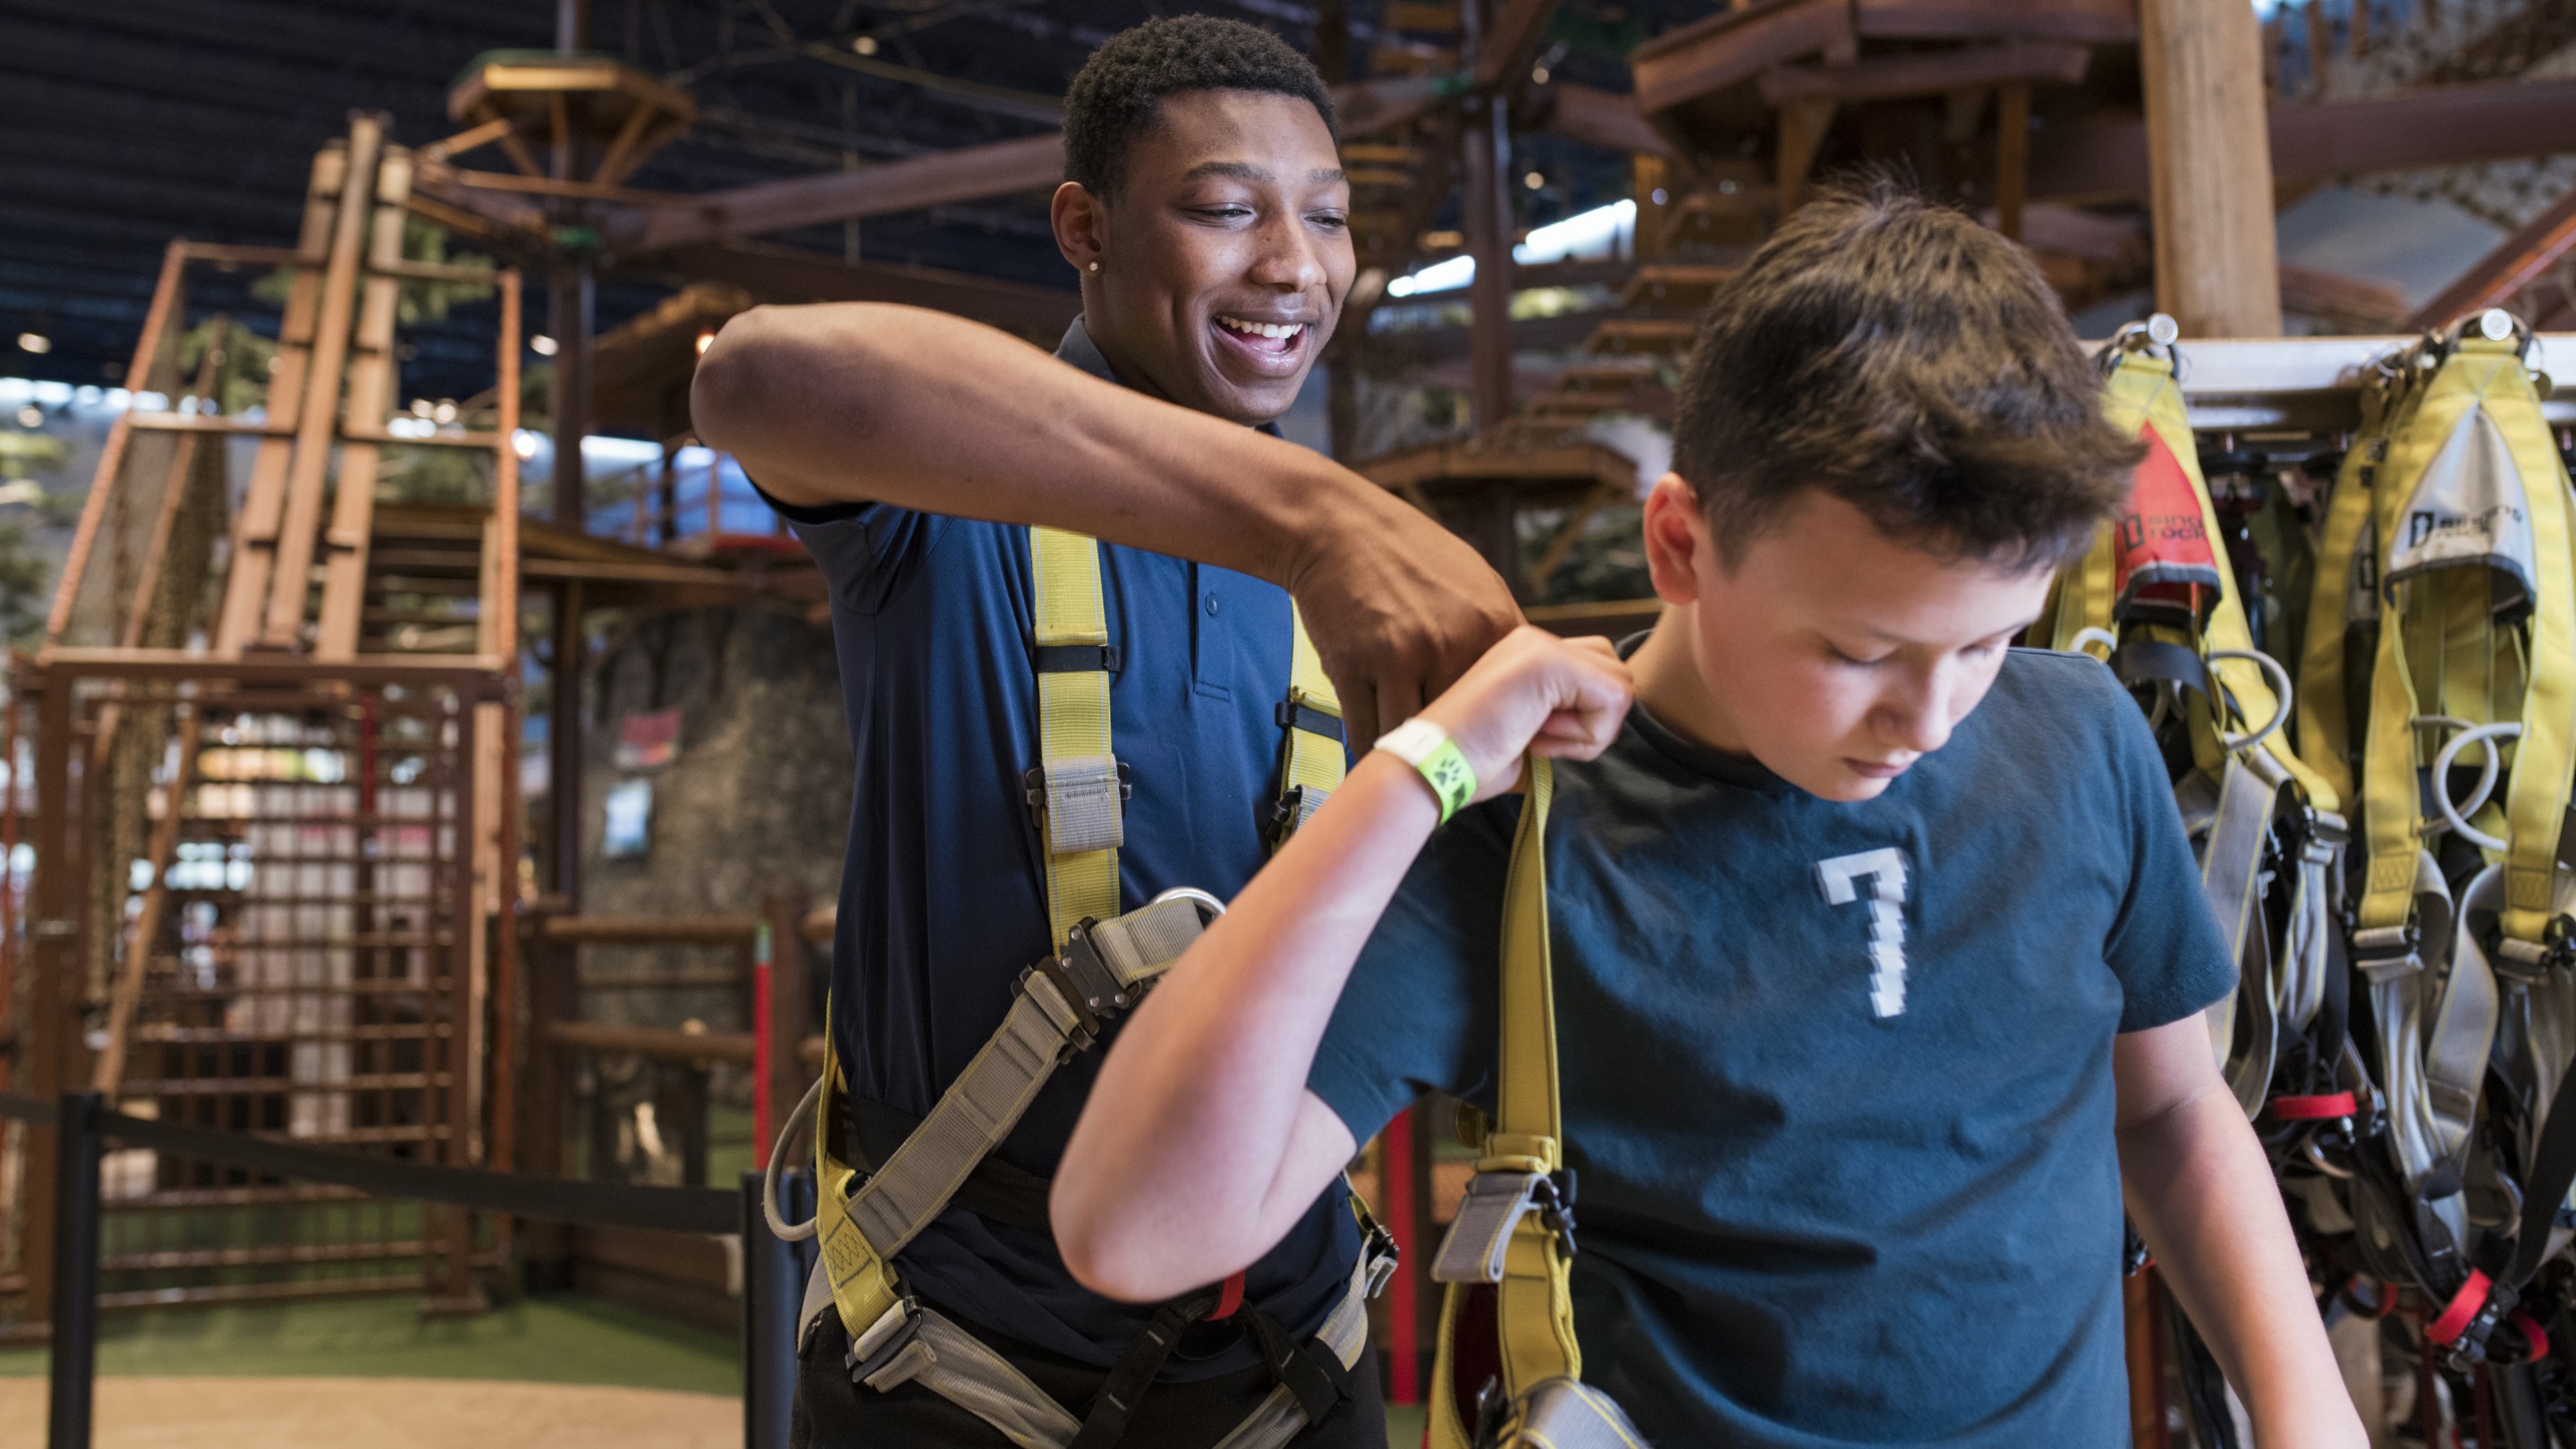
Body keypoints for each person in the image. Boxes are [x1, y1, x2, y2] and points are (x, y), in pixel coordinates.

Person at [1049, 181, 2369, 1447]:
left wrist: (2307, 1411)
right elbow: (1136, 1232)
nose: (1931, 716)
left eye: (1987, 643)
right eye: (1860, 653)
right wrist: (1418, 767)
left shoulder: (2080, 741)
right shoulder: (1522, 828)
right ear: (1679, 543)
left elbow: (2171, 1113)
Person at [692, 15, 1520, 1448]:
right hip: (953, 1364)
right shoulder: (943, 520)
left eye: (1327, 217)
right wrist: (1315, 511)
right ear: (1083, 224)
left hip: (1291, 1360)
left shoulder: (1370, 595)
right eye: (1224, 209)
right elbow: (752, 378)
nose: (1293, 264)